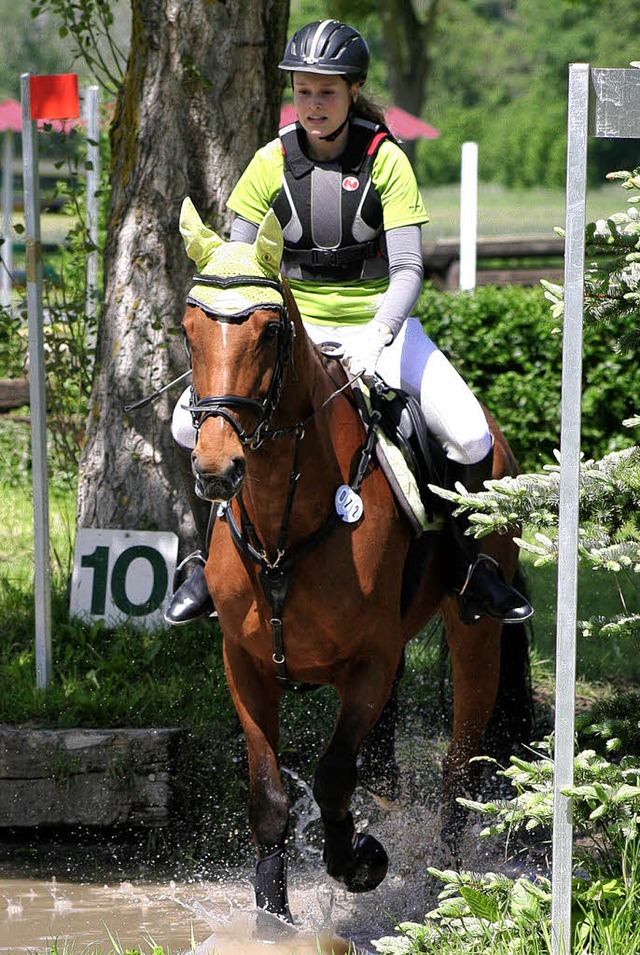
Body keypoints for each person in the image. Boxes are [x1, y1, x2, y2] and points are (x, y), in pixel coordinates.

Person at [165, 19, 533, 627]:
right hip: (286, 334)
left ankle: (472, 570)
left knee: (470, 436)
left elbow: (410, 269)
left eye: (327, 92)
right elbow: (239, 270)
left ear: (352, 91)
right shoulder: (267, 163)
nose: (314, 104)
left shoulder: (386, 160)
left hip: (375, 329)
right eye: (304, 91)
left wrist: (378, 334)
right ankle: (202, 562)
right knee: (188, 426)